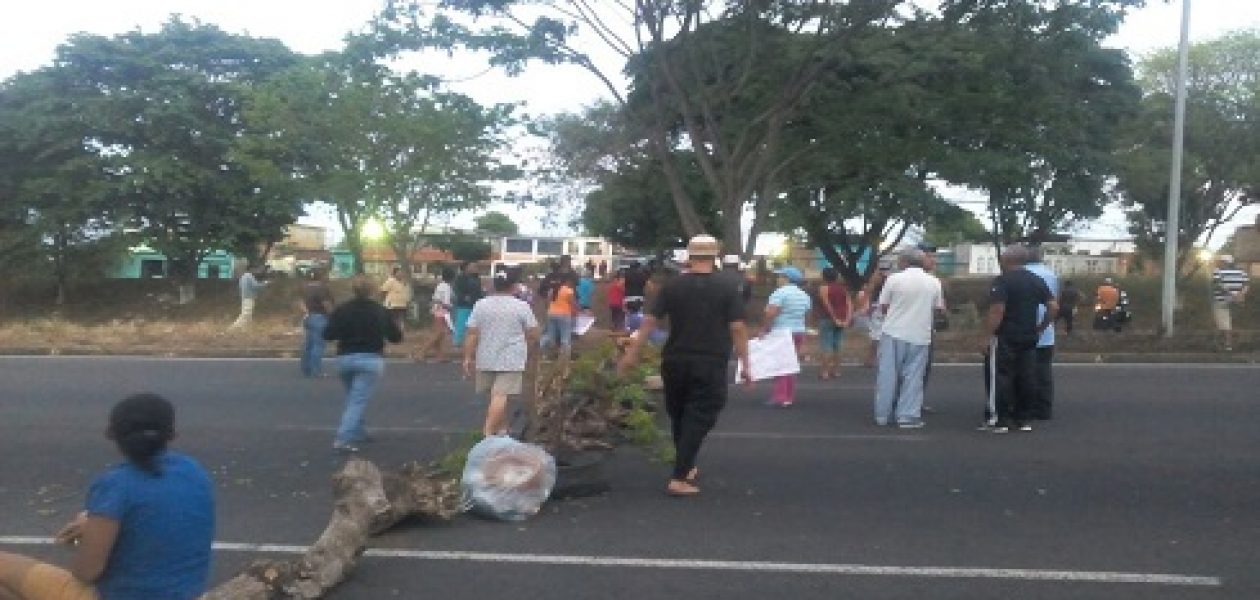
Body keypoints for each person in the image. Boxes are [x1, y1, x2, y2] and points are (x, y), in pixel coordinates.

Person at [0, 393, 215, 600]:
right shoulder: (195, 471)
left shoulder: (115, 484)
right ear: (172, 434)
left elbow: (87, 572)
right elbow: (157, 514)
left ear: (111, 434)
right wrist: (94, 523)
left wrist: (88, 537)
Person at [618, 234, 751, 497]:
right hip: (710, 359)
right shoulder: (727, 288)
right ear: (716, 256)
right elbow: (737, 328)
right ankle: (679, 477)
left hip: (675, 358)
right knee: (702, 413)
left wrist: (632, 353)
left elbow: (649, 321)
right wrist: (746, 362)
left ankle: (686, 465)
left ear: (689, 256)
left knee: (679, 414)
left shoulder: (672, 286)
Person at [981, 245, 1057, 434]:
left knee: (1000, 375)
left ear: (1007, 260)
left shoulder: (1003, 281)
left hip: (1006, 334)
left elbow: (997, 310)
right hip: (1029, 334)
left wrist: (987, 335)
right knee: (1026, 376)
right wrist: (1042, 326)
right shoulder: (1036, 280)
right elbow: (1054, 306)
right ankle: (1023, 418)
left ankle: (999, 418)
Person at [323, 277, 403, 453]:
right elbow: (396, 337)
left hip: (345, 358)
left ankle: (358, 430)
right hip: (370, 358)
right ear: (373, 291)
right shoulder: (380, 311)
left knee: (353, 397)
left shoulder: (342, 310)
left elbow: (328, 334)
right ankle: (343, 438)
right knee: (358, 400)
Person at [873, 247, 945, 428]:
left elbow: (883, 306)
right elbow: (939, 309)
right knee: (914, 376)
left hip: (893, 331)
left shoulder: (893, 280)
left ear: (904, 262)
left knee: (888, 374)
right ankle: (907, 416)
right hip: (920, 334)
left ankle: (883, 414)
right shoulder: (934, 282)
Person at [463, 273, 541, 437]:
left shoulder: (480, 305)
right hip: (511, 357)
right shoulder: (521, 306)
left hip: (485, 355)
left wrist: (467, 357)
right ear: (513, 287)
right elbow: (534, 332)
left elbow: (472, 333)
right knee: (500, 395)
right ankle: (488, 432)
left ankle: (502, 430)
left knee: (495, 395)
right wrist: (527, 345)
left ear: (493, 286)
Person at [761, 266, 812, 407]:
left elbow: (771, 313)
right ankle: (789, 395)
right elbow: (807, 316)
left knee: (780, 365)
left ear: (787, 279)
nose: (778, 279)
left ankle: (780, 396)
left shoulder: (779, 293)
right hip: (798, 331)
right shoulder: (804, 295)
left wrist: (764, 329)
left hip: (781, 331)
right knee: (790, 365)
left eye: (781, 276)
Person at [1023, 245, 1059, 421]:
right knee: (1044, 371)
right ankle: (1044, 408)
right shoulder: (1051, 274)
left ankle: (1025, 407)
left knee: (1024, 371)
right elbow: (1054, 302)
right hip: (1046, 330)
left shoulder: (1021, 274)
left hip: (1024, 328)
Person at [816, 267, 853, 380]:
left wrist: (834, 318)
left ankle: (825, 372)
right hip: (842, 318)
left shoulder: (823, 288)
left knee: (826, 345)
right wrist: (848, 319)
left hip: (828, 319)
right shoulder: (843, 289)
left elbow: (827, 305)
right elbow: (849, 304)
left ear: (824, 276)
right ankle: (836, 371)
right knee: (837, 345)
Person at [413, 267, 455, 363]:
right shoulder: (447, 287)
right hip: (442, 311)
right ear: (452, 277)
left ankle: (439, 356)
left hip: (437, 309)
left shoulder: (440, 285)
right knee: (437, 334)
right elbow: (446, 302)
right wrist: (451, 307)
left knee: (439, 335)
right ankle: (420, 353)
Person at [299, 268, 335, 377]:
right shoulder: (322, 288)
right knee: (318, 345)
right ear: (321, 276)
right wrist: (332, 316)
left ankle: (306, 369)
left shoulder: (304, 288)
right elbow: (326, 304)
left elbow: (299, 302)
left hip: (308, 317)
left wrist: (306, 312)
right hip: (320, 317)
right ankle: (316, 371)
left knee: (308, 344)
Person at [1211, 255, 1250, 351]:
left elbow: (1218, 285)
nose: (1218, 263)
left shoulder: (1218, 271)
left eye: (1220, 261)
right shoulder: (1242, 272)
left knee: (1225, 324)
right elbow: (1246, 285)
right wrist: (1240, 295)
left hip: (1222, 300)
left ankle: (1228, 345)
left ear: (1225, 262)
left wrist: (1231, 294)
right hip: (1238, 301)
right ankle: (1231, 343)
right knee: (1233, 322)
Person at [855, 267, 889, 367]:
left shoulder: (876, 288)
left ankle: (871, 359)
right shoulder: (877, 288)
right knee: (878, 338)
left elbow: (869, 301)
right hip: (880, 313)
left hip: (878, 313)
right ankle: (873, 359)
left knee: (876, 338)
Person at [541, 272, 579, 362]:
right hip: (564, 315)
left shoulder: (553, 289)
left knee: (551, 337)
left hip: (551, 314)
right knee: (565, 338)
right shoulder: (568, 291)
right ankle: (564, 359)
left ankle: (545, 355)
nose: (573, 284)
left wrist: (550, 310)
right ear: (568, 281)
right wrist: (576, 314)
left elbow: (547, 302)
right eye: (573, 282)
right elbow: (573, 304)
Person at [452, 261, 484, 349]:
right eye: (472, 266)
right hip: (464, 305)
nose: (475, 268)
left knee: (475, 325)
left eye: (475, 266)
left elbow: (479, 291)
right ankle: (457, 343)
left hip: (476, 304)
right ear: (466, 268)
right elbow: (457, 290)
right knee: (461, 324)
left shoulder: (477, 278)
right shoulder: (461, 278)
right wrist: (464, 297)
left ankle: (473, 343)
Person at [227, 265, 268, 331]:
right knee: (246, 315)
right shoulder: (249, 276)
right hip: (249, 298)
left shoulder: (243, 277)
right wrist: (264, 284)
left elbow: (240, 287)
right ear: (251, 269)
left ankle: (245, 330)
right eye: (257, 269)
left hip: (245, 298)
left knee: (248, 316)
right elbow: (255, 286)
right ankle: (232, 328)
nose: (258, 271)